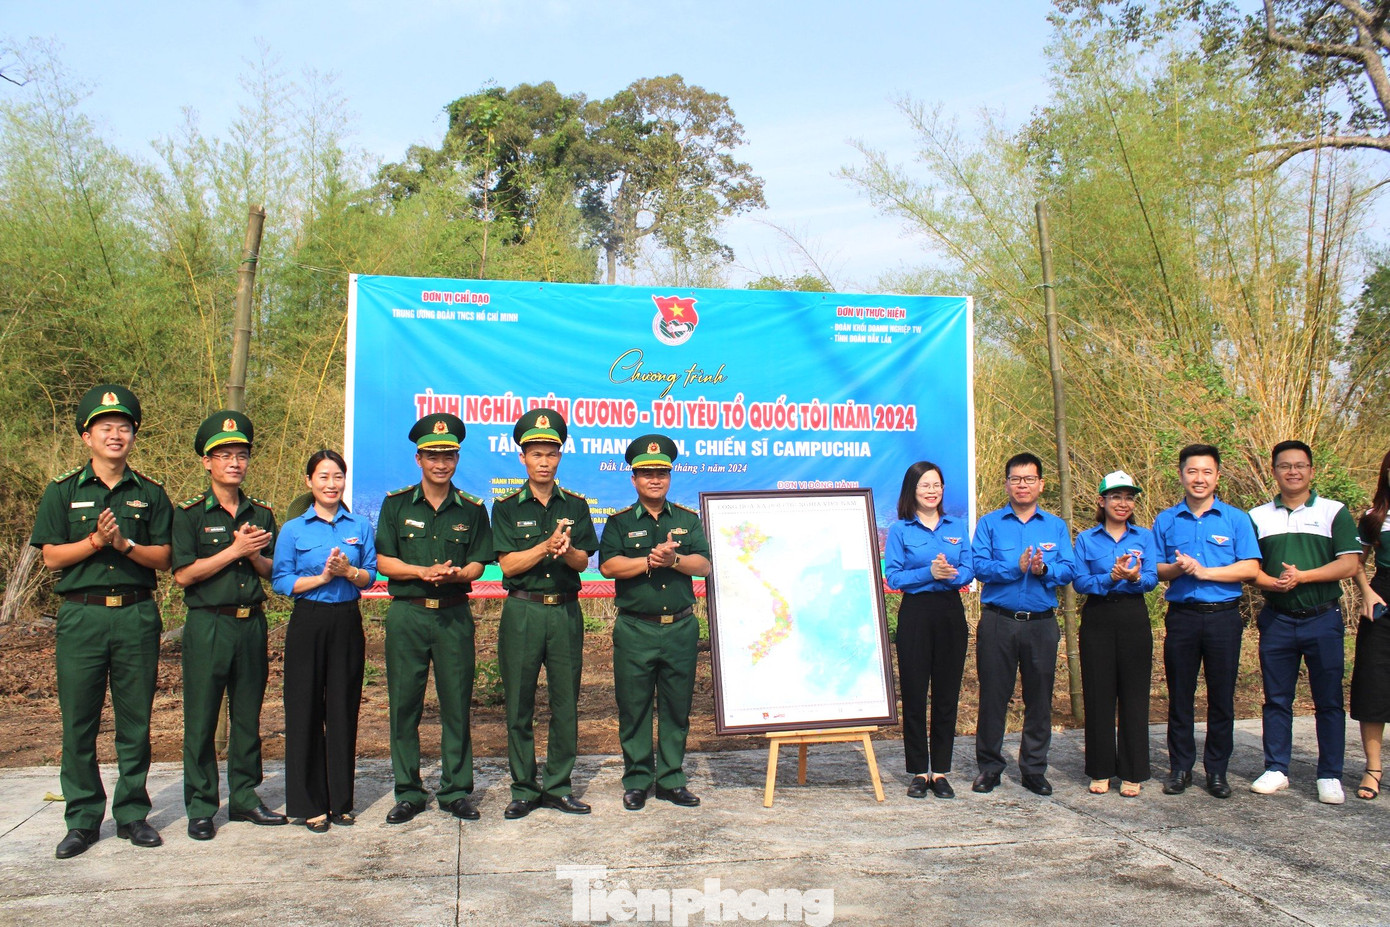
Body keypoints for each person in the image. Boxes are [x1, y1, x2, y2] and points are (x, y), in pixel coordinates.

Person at [29, 385, 173, 859]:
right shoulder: (62, 490)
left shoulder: (150, 492)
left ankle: (132, 814)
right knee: (79, 721)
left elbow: (165, 557)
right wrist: (95, 542)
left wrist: (125, 546)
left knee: (135, 721)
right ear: (87, 436)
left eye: (124, 427)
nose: (116, 435)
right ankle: (83, 818)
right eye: (106, 427)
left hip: (134, 614)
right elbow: (51, 557)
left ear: (133, 436)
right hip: (82, 616)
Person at [171, 411, 288, 840]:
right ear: (207, 462)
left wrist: (255, 556)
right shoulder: (187, 514)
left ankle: (244, 797)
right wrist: (234, 548)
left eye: (241, 455)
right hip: (208, 624)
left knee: (247, 716)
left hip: (250, 624)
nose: (234, 463)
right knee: (201, 718)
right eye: (224, 456)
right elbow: (183, 574)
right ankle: (201, 806)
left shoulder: (262, 513)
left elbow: (275, 572)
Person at [376, 413, 494, 824]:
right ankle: (408, 791)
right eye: (432, 455)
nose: (440, 463)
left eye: (448, 455)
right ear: (418, 458)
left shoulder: (473, 510)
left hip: (453, 617)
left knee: (456, 705)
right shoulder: (395, 505)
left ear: (457, 458)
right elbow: (385, 561)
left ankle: (456, 790)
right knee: (404, 706)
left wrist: (461, 574)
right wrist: (421, 572)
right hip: (408, 615)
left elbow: (479, 561)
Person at [491, 409, 598, 819]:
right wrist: (543, 547)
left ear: (559, 457)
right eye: (535, 453)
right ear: (522, 458)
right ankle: (523, 787)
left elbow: (583, 561)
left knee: (565, 702)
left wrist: (566, 551)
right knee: (519, 702)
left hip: (564, 612)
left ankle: (558, 786)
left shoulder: (576, 504)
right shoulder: (504, 507)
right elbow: (508, 566)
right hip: (523, 610)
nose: (543, 461)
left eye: (551, 453)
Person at [598, 435, 712, 811]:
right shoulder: (618, 523)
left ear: (670, 476)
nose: (655, 480)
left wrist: (674, 561)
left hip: (679, 627)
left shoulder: (687, 520)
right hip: (636, 629)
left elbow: (704, 564)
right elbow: (609, 566)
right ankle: (636, 780)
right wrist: (650, 561)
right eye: (646, 474)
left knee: (678, 706)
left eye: (661, 473)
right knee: (634, 707)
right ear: (634, 479)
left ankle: (671, 779)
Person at [1245, 441, 1361, 803]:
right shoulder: (1257, 516)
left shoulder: (1333, 512)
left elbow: (1349, 564)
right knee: (1277, 698)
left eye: (1300, 465)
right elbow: (1251, 569)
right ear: (1274, 471)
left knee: (1328, 700)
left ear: (1311, 470)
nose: (1292, 472)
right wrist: (1274, 583)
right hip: (1277, 619)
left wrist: (1304, 577)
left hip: (1322, 618)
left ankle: (1329, 774)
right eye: (1284, 466)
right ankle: (1277, 767)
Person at [271, 449, 376, 832]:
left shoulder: (360, 525)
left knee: (343, 709)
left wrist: (349, 572)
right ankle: (308, 803)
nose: (331, 484)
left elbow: (371, 576)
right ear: (309, 482)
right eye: (323, 477)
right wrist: (321, 579)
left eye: (337, 477)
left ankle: (341, 802)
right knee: (304, 711)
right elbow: (281, 580)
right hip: (309, 620)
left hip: (347, 621)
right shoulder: (294, 529)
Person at [1153, 444, 1260, 800]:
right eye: (1192, 472)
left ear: (1217, 476)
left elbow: (1250, 568)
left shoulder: (1235, 519)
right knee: (1180, 695)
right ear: (1181, 474)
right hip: (1182, 617)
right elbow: (1155, 569)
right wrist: (1177, 568)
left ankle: (1216, 770)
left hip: (1223, 618)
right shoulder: (1166, 520)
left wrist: (1205, 571)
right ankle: (1180, 768)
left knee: (1222, 698)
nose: (1199, 479)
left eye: (1206, 472)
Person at [970, 452, 1076, 796]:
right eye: (1016, 479)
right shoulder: (990, 523)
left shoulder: (1056, 526)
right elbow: (979, 567)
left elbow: (1069, 570)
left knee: (1039, 698)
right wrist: (1015, 567)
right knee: (993, 697)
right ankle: (989, 766)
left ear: (1041, 484)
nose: (1022, 485)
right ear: (1007, 484)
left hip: (1041, 624)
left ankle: (1033, 768)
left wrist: (1044, 570)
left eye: (1029, 479)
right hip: (998, 621)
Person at [883, 460, 974, 800]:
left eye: (937, 484)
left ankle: (942, 771)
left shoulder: (957, 526)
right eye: (925, 485)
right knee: (916, 692)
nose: (932, 490)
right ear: (913, 490)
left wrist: (952, 574)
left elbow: (969, 568)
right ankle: (919, 771)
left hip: (950, 611)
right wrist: (928, 574)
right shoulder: (901, 531)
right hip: (916, 614)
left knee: (947, 694)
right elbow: (894, 576)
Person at [1072, 471, 1158, 798]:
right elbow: (1080, 582)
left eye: (1129, 497)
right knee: (1099, 693)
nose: (1123, 503)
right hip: (1098, 615)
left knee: (1134, 694)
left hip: (1133, 614)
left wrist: (1134, 578)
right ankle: (1100, 768)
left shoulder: (1144, 537)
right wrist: (1109, 577)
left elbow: (1151, 578)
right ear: (1101, 501)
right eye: (1116, 497)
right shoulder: (1086, 539)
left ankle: (1133, 771)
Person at [1352, 450, 1390, 801]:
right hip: (1383, 601)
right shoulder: (1373, 517)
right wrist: (1366, 593)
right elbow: (1356, 562)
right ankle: (1373, 768)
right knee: (1374, 683)